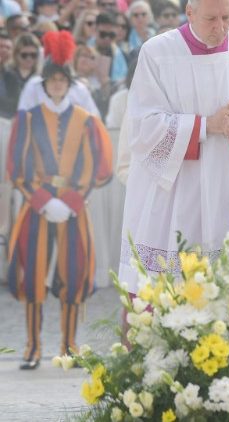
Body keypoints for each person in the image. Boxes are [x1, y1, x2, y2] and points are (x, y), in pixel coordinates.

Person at [118, 0, 229, 293]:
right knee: (175, 286)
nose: (220, 27)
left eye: (226, 16)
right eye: (211, 18)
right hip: (179, 187)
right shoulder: (158, 52)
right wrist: (206, 125)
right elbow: (143, 125)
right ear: (190, 13)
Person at [6, 31, 112, 370]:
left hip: (72, 203)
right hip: (39, 204)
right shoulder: (30, 117)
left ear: (68, 84)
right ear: (45, 84)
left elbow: (96, 165)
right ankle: (33, 346)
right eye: (50, 81)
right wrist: (40, 200)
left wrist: (73, 200)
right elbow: (17, 167)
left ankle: (69, 345)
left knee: (74, 271)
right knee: (34, 274)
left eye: (60, 81)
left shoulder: (85, 120)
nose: (55, 86)